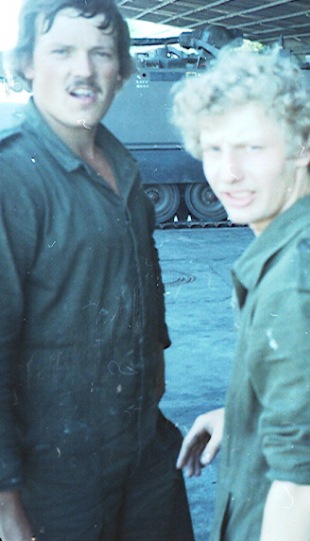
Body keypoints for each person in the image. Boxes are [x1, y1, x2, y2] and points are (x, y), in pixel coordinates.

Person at [172, 47, 310, 541]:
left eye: (251, 148)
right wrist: (244, 416)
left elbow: (302, 482)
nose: (227, 172)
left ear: (302, 149)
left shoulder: (300, 284)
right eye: (213, 149)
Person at [0, 1, 194, 539]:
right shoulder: (11, 177)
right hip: (54, 480)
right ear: (27, 63)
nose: (83, 71)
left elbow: (143, 272)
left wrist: (156, 352)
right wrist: (5, 503)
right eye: (62, 51)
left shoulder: (120, 162)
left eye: (101, 53)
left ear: (122, 70)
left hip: (142, 451)